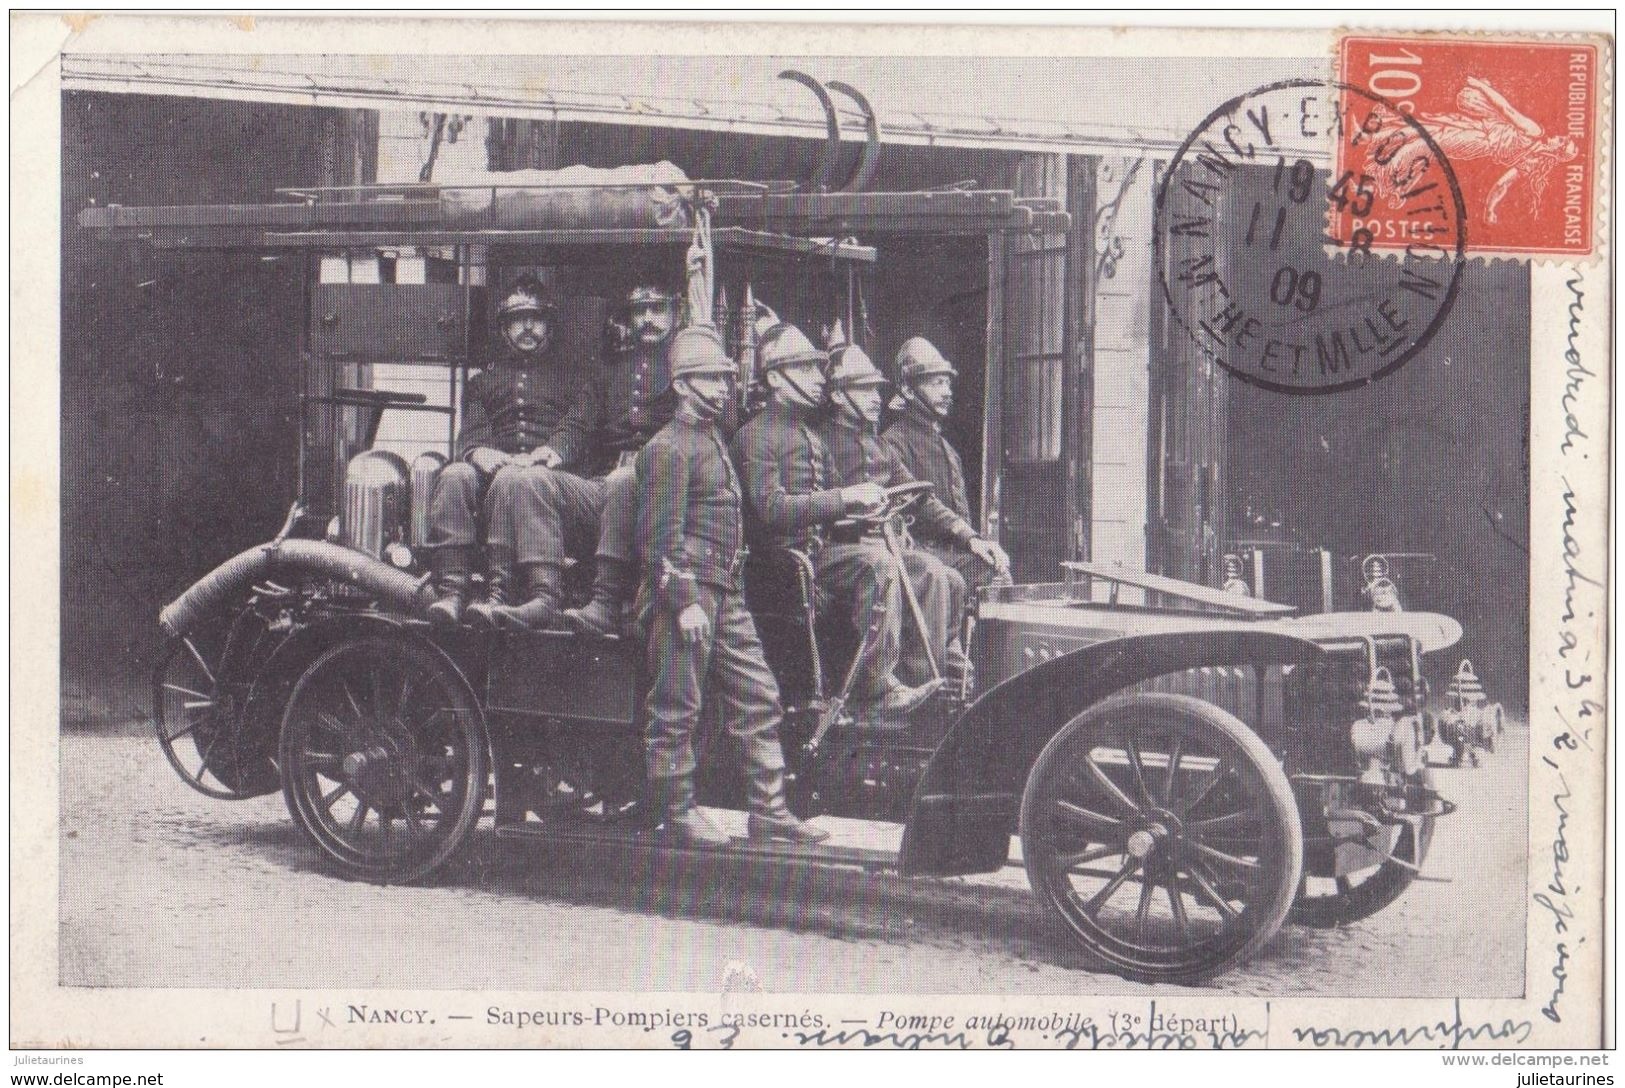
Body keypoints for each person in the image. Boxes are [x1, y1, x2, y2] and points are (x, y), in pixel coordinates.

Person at [635, 325, 828, 847]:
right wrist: (682, 604)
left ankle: (768, 812)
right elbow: (659, 543)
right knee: (678, 704)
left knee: (759, 695)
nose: (723, 388)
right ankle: (677, 812)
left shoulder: (712, 438)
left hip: (727, 586)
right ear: (681, 385)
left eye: (724, 378)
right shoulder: (667, 449)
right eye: (710, 379)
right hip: (691, 593)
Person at [732, 322, 937, 716]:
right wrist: (845, 500)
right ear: (775, 377)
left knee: (888, 561)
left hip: (816, 555)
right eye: (805, 369)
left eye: (817, 369)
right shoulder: (756, 435)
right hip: (777, 565)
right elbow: (769, 509)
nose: (817, 379)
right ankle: (876, 691)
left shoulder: (807, 433)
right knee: (876, 566)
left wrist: (872, 511)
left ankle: (885, 680)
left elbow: (829, 503)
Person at [478, 280, 680, 630]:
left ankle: (606, 602)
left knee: (622, 481)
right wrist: (551, 452)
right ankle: (544, 596)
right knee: (532, 479)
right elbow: (579, 423)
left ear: (676, 313)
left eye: (657, 309)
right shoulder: (610, 370)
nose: (647, 318)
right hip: (606, 485)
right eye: (639, 311)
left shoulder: (685, 366)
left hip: (663, 488)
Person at [821, 342, 1002, 687]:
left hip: (890, 547)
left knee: (956, 577)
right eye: (863, 389)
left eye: (876, 388)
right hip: (857, 551)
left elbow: (920, 496)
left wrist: (971, 537)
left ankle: (952, 670)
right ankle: (917, 680)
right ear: (839, 396)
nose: (875, 397)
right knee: (934, 572)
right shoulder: (824, 442)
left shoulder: (877, 444)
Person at [424, 276, 595, 626]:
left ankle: (511, 594)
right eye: (518, 320)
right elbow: (472, 430)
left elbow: (578, 426)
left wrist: (550, 452)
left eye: (536, 319)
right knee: (455, 474)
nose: (527, 327)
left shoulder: (575, 378)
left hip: (550, 486)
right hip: (497, 478)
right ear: (505, 329)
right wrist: (480, 453)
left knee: (517, 479)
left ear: (548, 325)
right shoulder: (485, 380)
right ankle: (453, 592)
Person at [882, 336, 1012, 597]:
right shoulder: (892, 443)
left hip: (950, 552)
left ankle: (971, 639)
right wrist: (970, 538)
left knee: (995, 570)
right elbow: (917, 504)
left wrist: (974, 541)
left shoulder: (947, 448)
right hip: (915, 554)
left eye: (948, 382)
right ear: (907, 390)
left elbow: (959, 512)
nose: (947, 391)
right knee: (966, 577)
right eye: (936, 383)